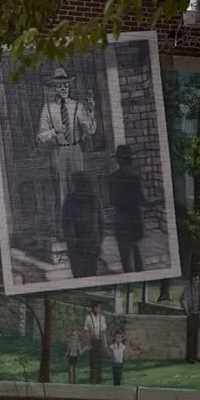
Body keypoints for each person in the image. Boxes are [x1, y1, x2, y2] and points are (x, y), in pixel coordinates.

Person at [36, 67, 98, 220]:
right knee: (62, 191)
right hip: (59, 152)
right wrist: (54, 131)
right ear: (54, 88)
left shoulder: (77, 106)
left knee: (80, 189)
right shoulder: (48, 108)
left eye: (66, 85)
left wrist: (91, 111)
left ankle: (82, 225)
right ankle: (67, 228)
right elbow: (41, 136)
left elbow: (90, 130)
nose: (63, 88)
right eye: (59, 85)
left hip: (76, 151)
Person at [106, 144, 147, 273]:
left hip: (121, 220)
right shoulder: (136, 177)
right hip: (135, 219)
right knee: (138, 255)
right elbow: (144, 200)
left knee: (126, 259)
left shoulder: (112, 178)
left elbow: (112, 201)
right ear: (130, 159)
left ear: (118, 160)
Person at [61, 171, 105, 278]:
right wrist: (99, 243)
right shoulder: (94, 198)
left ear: (75, 183)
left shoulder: (70, 199)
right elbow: (102, 224)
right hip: (92, 244)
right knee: (92, 274)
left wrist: (71, 243)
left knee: (79, 276)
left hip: (77, 248)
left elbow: (67, 224)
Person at [182, 273, 200, 362]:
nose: (196, 281)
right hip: (191, 314)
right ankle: (189, 357)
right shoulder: (188, 289)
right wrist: (186, 311)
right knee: (190, 336)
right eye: (194, 280)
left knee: (196, 336)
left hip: (198, 315)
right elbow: (182, 300)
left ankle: (195, 356)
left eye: (197, 280)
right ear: (191, 281)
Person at [84, 301, 108, 384]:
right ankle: (92, 381)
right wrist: (89, 342)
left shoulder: (102, 318)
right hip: (92, 342)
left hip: (100, 341)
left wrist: (105, 345)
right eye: (98, 307)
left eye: (100, 307)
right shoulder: (88, 317)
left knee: (99, 362)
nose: (99, 309)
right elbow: (86, 331)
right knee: (93, 362)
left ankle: (99, 382)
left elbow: (103, 332)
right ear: (94, 308)